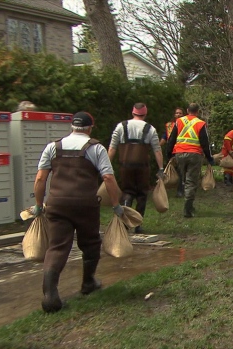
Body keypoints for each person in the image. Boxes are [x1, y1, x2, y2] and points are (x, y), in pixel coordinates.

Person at [33, 111, 123, 313]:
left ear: (72, 127)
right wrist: (116, 205)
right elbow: (108, 179)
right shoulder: (96, 148)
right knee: (90, 243)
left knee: (56, 247)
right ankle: (88, 283)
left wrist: (39, 205)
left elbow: (40, 179)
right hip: (85, 205)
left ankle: (50, 296)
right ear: (90, 127)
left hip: (57, 205)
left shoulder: (52, 147)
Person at [108, 102, 163, 233]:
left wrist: (107, 166)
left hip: (125, 166)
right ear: (145, 114)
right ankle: (138, 225)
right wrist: (161, 168)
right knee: (142, 194)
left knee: (127, 192)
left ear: (133, 113)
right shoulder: (150, 129)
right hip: (142, 167)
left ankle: (125, 222)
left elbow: (112, 148)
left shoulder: (121, 126)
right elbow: (157, 150)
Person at [166, 103, 215, 218]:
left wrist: (169, 154)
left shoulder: (179, 122)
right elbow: (205, 142)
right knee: (191, 181)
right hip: (195, 154)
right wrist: (209, 157)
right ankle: (188, 207)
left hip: (180, 153)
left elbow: (172, 138)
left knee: (184, 178)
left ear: (187, 110)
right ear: (197, 112)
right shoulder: (200, 123)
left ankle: (185, 198)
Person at [159, 107, 185, 197]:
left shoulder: (186, 125)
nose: (178, 114)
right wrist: (158, 145)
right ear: (174, 115)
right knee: (173, 170)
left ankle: (180, 190)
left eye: (180, 113)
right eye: (177, 113)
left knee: (181, 170)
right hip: (171, 151)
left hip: (182, 150)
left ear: (183, 115)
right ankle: (171, 186)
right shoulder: (170, 125)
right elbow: (165, 136)